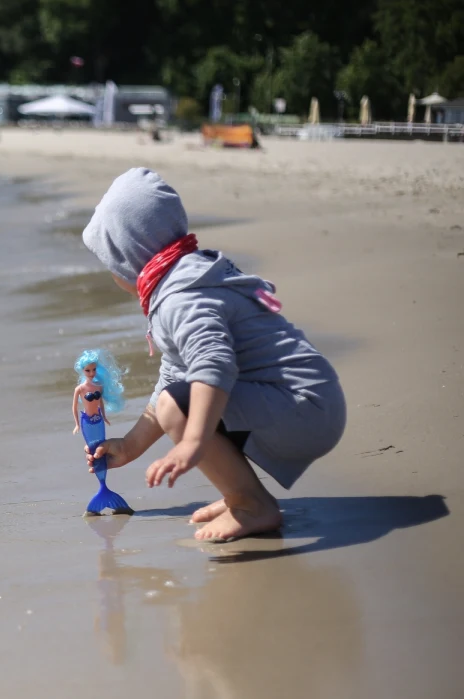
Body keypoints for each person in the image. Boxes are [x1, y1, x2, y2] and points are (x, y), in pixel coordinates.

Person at [80, 167, 346, 542]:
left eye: (109, 261)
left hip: (303, 407)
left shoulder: (180, 298)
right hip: (305, 401)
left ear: (129, 257)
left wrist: (192, 442)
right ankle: (240, 493)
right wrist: (130, 445)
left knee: (181, 409)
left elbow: (212, 365)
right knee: (183, 400)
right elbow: (176, 376)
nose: (110, 272)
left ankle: (251, 504)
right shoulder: (188, 276)